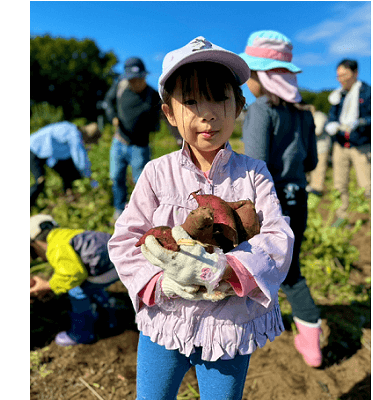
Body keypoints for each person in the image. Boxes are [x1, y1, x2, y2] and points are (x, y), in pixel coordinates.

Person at [107, 36, 295, 399]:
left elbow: (277, 237)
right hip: (166, 321)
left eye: (219, 98)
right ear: (169, 114)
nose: (206, 113)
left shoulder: (253, 174)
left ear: (239, 105)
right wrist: (162, 284)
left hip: (229, 326)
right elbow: (124, 239)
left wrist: (228, 270)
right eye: (190, 101)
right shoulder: (156, 173)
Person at [239, 30, 323, 367]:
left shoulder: (261, 110)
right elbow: (313, 162)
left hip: (270, 203)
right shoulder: (304, 113)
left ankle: (255, 325)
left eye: (250, 75)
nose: (247, 83)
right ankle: (309, 338)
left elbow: (256, 163)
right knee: (291, 265)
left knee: (264, 265)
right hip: (298, 198)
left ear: (262, 76)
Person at [30, 214, 120, 346]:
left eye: (34, 252)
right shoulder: (65, 234)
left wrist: (49, 285)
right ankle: (109, 315)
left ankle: (82, 334)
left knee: (76, 290)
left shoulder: (55, 246)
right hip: (117, 258)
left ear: (36, 243)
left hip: (106, 267)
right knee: (91, 286)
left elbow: (74, 274)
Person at [101, 57, 162, 223]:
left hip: (140, 146)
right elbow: (107, 102)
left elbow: (160, 119)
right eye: (132, 80)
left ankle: (141, 214)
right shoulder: (120, 88)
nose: (135, 83)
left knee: (141, 181)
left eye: (138, 79)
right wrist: (113, 116)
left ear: (144, 77)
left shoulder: (152, 96)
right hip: (119, 141)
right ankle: (119, 209)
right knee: (116, 177)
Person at [324, 59, 371, 223]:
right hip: (340, 144)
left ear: (355, 73)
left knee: (367, 184)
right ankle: (342, 216)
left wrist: (362, 122)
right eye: (338, 76)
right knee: (339, 183)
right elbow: (332, 116)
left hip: (361, 145)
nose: (341, 79)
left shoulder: (367, 92)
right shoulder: (338, 95)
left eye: (344, 75)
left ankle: (370, 216)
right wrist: (331, 124)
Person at [30, 121, 100, 207]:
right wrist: (90, 178)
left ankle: (69, 197)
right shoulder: (74, 134)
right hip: (33, 149)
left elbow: (63, 157)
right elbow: (79, 157)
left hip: (45, 153)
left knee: (68, 171)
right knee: (40, 181)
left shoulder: (71, 128)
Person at [305, 105, 330, 196]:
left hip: (321, 147)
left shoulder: (319, 116)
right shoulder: (307, 118)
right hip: (311, 148)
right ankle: (311, 187)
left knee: (319, 168)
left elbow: (317, 131)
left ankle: (317, 190)